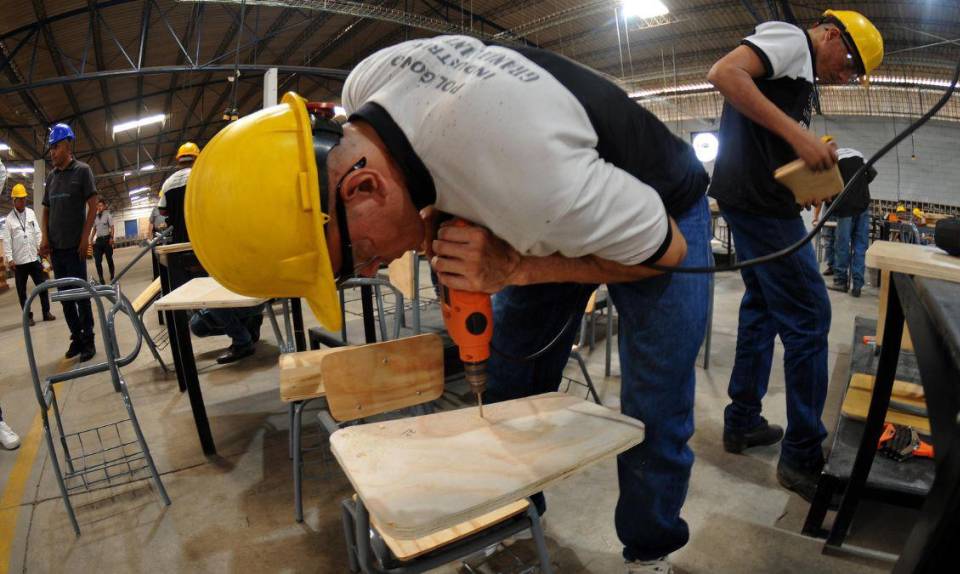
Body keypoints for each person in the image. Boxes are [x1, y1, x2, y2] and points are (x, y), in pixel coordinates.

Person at [186, 35, 712, 572]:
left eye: (361, 255)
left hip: (662, 213)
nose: (369, 270)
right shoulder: (368, 83)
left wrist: (516, 268)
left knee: (656, 400)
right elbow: (458, 71)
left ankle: (651, 549)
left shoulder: (529, 181)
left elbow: (666, 253)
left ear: (363, 186)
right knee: (511, 380)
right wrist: (436, 217)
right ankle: (511, 516)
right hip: (553, 197)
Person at [706, 10, 883, 501]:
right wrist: (798, 136)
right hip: (759, 206)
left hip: (759, 199)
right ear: (830, 33)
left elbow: (765, 140)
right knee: (810, 315)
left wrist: (804, 179)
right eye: (848, 62)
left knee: (762, 310)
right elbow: (724, 73)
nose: (845, 76)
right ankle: (802, 453)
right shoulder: (790, 40)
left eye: (853, 74)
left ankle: (742, 422)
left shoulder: (800, 73)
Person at [159, 142, 263, 364]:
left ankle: (242, 339)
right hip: (213, 246)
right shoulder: (206, 175)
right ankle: (249, 326)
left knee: (206, 302)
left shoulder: (168, 184)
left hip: (184, 251)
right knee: (222, 293)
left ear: (179, 160)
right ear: (198, 158)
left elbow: (163, 212)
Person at [39, 123, 98, 362]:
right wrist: (44, 238)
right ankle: (76, 337)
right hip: (56, 249)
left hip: (75, 249)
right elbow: (45, 210)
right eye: (50, 148)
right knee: (64, 298)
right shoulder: (52, 177)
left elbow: (93, 206)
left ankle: (89, 339)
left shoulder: (83, 171)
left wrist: (85, 238)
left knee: (81, 295)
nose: (52, 152)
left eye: (55, 147)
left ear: (67, 146)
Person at [2, 183, 56, 326]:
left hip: (34, 257)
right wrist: (10, 258)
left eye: (24, 198)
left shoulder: (31, 213)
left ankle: (46, 312)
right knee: (22, 291)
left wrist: (42, 248)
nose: (23, 201)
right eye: (19, 199)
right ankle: (29, 316)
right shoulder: (9, 220)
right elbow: (7, 241)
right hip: (19, 262)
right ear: (14, 200)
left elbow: (37, 232)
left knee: (43, 286)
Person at [828, 147, 877, 297]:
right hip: (862, 205)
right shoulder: (859, 154)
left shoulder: (833, 158)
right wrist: (860, 186)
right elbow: (873, 173)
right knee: (860, 246)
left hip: (845, 207)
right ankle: (857, 285)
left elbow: (829, 182)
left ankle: (841, 281)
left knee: (842, 244)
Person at [90, 197, 116, 283]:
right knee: (97, 261)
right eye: (98, 206)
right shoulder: (95, 217)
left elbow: (112, 227)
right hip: (99, 241)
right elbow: (94, 228)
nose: (99, 207)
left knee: (109, 259)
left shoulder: (108, 215)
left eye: (101, 205)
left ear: (104, 206)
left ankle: (112, 275)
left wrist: (111, 238)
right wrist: (91, 238)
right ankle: (101, 278)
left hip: (107, 239)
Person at [813, 201, 835, 275]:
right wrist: (815, 217)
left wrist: (815, 216)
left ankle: (835, 266)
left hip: (840, 206)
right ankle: (832, 265)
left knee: (838, 239)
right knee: (828, 239)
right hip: (829, 205)